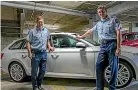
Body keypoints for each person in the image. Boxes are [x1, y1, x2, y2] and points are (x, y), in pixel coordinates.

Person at [77, 5, 121, 90]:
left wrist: (118, 48)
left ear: (106, 11)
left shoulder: (113, 20)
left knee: (113, 67)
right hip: (103, 46)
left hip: (112, 44)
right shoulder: (98, 24)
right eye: (99, 12)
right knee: (98, 65)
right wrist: (81, 37)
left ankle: (112, 87)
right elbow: (90, 31)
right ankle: (99, 87)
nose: (101, 13)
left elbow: (118, 33)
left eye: (102, 11)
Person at [26, 16, 54, 90]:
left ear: (43, 22)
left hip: (44, 53)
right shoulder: (32, 31)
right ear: (37, 22)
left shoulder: (46, 31)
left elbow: (47, 40)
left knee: (43, 71)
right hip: (35, 54)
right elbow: (28, 42)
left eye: (42, 22)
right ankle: (34, 87)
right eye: (39, 22)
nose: (41, 23)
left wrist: (50, 47)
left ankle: (39, 85)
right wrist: (29, 52)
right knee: (34, 72)